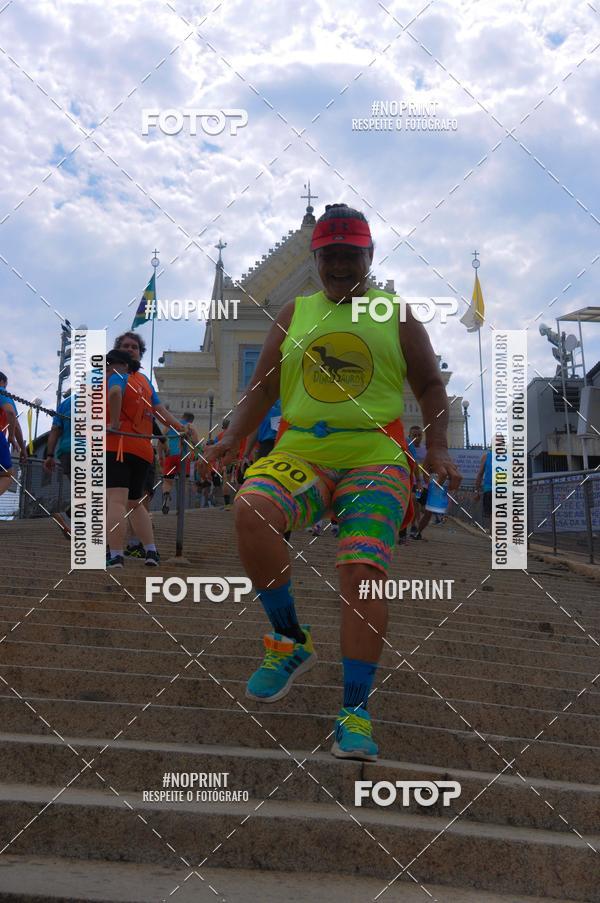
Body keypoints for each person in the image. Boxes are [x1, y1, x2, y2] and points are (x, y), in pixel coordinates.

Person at [204, 202, 461, 761]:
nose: (340, 266)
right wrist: (234, 437)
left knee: (362, 572)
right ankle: (289, 638)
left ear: (369, 257)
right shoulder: (293, 313)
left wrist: (436, 447)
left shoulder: (396, 314)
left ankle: (354, 708)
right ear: (315, 258)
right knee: (252, 510)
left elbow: (431, 387)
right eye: (330, 257)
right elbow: (263, 389)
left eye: (351, 256)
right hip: (303, 451)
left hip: (376, 457)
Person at [106, 333, 189, 569]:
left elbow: (114, 394)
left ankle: (116, 555)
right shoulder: (142, 380)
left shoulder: (116, 373)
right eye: (125, 346)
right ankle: (151, 552)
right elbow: (160, 410)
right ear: (119, 350)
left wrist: (112, 423)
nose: (130, 349)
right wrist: (180, 428)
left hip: (119, 445)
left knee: (117, 501)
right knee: (135, 503)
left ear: (140, 352)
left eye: (134, 347)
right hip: (142, 449)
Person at [43, 389, 72, 535]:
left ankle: (69, 519)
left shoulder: (65, 404)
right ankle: (68, 518)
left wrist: (49, 455)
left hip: (67, 450)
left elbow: (55, 429)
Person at [161, 412, 198, 515]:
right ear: (191, 420)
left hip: (170, 455)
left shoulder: (170, 425)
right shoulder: (190, 426)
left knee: (167, 481)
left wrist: (161, 455)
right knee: (183, 482)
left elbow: (161, 439)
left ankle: (166, 494)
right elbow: (196, 442)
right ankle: (180, 508)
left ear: (182, 417)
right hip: (183, 456)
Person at [0, 372, 27, 498]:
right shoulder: (2, 391)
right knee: (7, 475)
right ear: (3, 382)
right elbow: (11, 414)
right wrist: (11, 437)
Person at [474, 446, 493, 531]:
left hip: (489, 489)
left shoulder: (486, 456)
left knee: (492, 514)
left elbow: (480, 474)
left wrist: (476, 491)